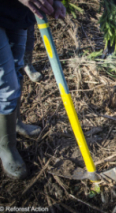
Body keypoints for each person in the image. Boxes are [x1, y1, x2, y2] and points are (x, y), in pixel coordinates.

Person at [0, 0, 66, 179]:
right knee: (7, 84)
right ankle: (7, 147)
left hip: (18, 12)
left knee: (17, 68)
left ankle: (16, 123)